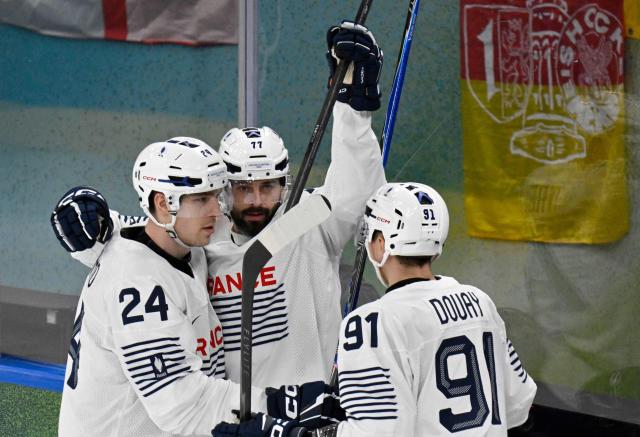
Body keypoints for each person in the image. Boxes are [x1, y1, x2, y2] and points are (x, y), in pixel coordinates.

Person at [51, 21, 386, 391]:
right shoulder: (203, 233)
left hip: (306, 417)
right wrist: (90, 227)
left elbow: (358, 195)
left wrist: (353, 105)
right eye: (243, 188)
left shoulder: (303, 222)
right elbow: (135, 239)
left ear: (285, 185)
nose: (257, 200)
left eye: (268, 187)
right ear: (221, 188)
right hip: (230, 417)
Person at [217, 182, 537, 436]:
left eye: (370, 236)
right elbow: (518, 404)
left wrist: (287, 434)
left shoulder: (370, 323)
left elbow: (377, 433)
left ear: (382, 244)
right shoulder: (479, 302)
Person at [57, 140, 267, 437]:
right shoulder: (137, 288)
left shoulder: (181, 245)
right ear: (162, 203)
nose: (216, 212)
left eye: (216, 197)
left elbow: (117, 226)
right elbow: (182, 405)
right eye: (200, 199)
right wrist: (275, 405)